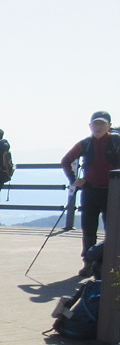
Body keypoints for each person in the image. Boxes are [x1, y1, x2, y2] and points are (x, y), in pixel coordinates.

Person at [60, 111, 120, 275]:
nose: (98, 127)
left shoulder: (116, 141)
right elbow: (65, 161)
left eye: (102, 124)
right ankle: (89, 263)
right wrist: (74, 180)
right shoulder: (85, 143)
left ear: (109, 125)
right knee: (88, 229)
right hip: (90, 191)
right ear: (89, 126)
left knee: (112, 230)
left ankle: (109, 263)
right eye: (95, 124)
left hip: (113, 192)